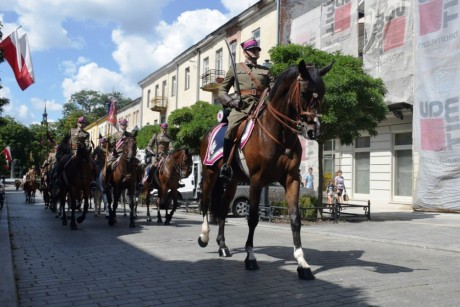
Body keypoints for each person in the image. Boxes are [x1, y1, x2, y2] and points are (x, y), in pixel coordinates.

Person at [218, 38, 272, 180]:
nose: (255, 52)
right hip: (242, 107)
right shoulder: (235, 68)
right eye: (252, 49)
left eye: (257, 49)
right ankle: (226, 165)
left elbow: (273, 89)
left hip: (262, 105)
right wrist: (232, 102)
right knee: (231, 129)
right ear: (245, 52)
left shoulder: (265, 70)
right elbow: (222, 91)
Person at [54, 116, 92, 185]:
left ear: (85, 124)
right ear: (77, 123)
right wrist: (68, 150)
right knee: (61, 161)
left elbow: (87, 143)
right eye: (80, 122)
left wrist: (86, 146)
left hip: (81, 152)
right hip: (70, 151)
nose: (81, 124)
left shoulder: (86, 134)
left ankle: (92, 181)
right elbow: (64, 141)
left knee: (90, 162)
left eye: (83, 123)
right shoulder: (71, 131)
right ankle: (58, 178)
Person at [106, 119, 142, 189]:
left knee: (140, 165)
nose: (123, 126)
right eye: (122, 125)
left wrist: (133, 154)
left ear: (126, 125)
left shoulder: (130, 135)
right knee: (108, 165)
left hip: (128, 155)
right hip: (117, 154)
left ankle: (139, 182)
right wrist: (108, 144)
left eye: (125, 125)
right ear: (120, 125)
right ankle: (108, 182)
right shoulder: (115, 135)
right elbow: (112, 146)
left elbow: (134, 146)